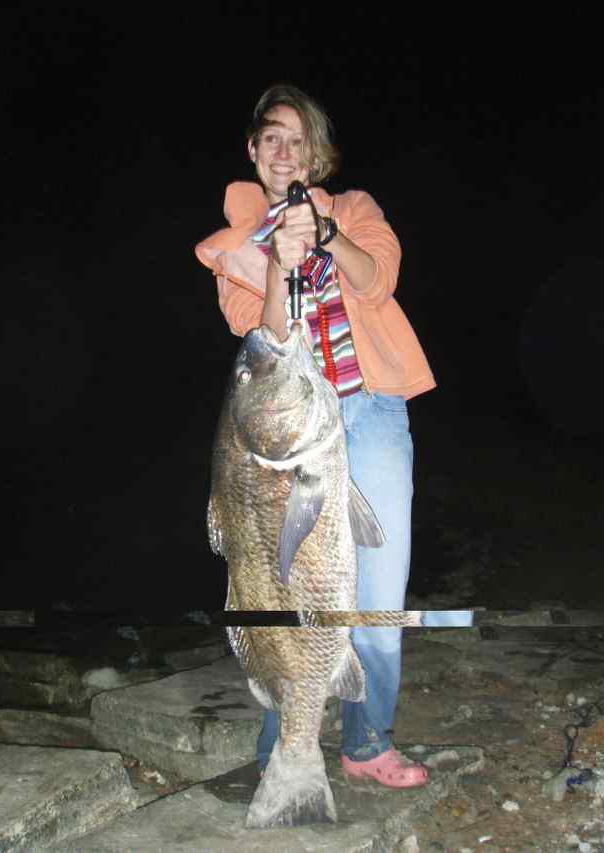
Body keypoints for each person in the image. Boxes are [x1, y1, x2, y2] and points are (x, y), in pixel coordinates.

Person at [195, 84, 473, 788]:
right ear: (253, 150)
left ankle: (367, 740)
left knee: (376, 590)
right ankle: (281, 748)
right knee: (278, 588)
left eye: (299, 141)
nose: (285, 152)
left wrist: (324, 234)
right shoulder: (231, 249)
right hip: (284, 437)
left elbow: (378, 279)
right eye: (272, 138)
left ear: (315, 154)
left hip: (369, 413)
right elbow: (259, 338)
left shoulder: (354, 209)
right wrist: (278, 261)